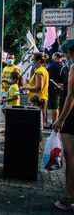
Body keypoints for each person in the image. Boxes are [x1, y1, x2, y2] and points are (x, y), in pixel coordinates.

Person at [52, 40, 74, 210]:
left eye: (65, 53)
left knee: (70, 157)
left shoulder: (73, 67)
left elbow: (70, 97)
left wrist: (61, 119)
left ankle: (68, 196)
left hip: (71, 118)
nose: (64, 56)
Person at [20, 52, 49, 128]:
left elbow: (38, 87)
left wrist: (25, 87)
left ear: (38, 61)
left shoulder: (39, 72)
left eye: (33, 59)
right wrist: (30, 82)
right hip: (41, 98)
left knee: (36, 124)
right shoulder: (43, 70)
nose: (31, 61)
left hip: (37, 99)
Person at [46, 52, 67, 128]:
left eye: (53, 56)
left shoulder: (53, 65)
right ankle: (56, 120)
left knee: (54, 106)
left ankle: (54, 122)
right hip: (61, 87)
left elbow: (46, 74)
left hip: (53, 87)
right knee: (57, 106)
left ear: (55, 57)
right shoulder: (64, 65)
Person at [1, 54, 21, 119]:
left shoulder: (15, 68)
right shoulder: (4, 68)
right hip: (3, 90)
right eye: (9, 58)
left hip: (9, 90)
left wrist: (5, 80)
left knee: (7, 110)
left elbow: (16, 96)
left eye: (12, 58)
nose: (10, 60)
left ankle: (8, 124)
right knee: (3, 109)